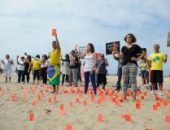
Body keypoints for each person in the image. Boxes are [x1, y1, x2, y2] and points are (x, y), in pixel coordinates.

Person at [118, 33, 145, 100]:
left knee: (133, 81)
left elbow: (143, 52)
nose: (128, 38)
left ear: (132, 38)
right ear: (125, 39)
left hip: (133, 64)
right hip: (124, 65)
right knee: (125, 81)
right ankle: (124, 96)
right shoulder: (123, 47)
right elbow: (121, 56)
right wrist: (116, 53)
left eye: (129, 37)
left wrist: (137, 59)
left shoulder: (136, 46)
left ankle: (134, 97)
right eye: (127, 37)